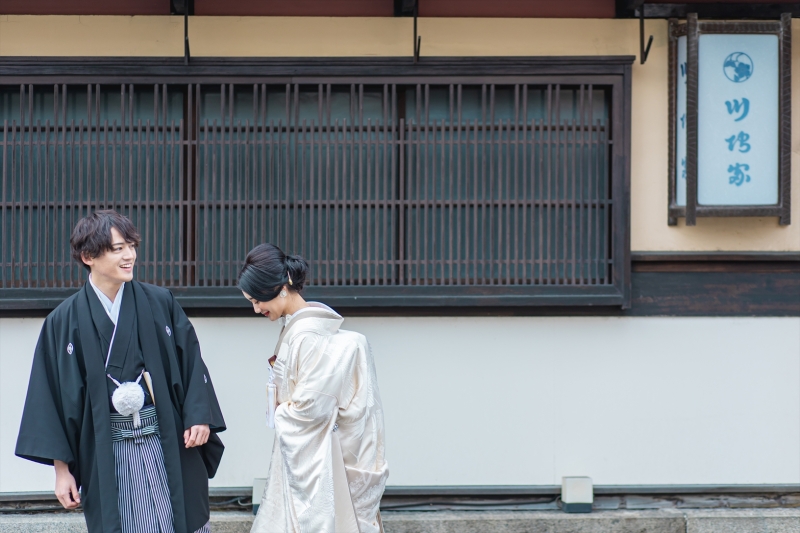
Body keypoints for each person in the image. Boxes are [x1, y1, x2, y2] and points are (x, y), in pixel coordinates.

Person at [16, 210, 226, 533]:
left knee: (181, 520)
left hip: (164, 438)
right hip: (107, 450)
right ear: (88, 256)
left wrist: (199, 414)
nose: (130, 256)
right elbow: (51, 398)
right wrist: (62, 470)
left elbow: (192, 361)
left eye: (131, 246)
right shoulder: (63, 321)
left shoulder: (159, 302)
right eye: (118, 249)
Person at [239, 244, 388, 533]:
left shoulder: (307, 335)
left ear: (281, 288)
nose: (256, 309)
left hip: (318, 451)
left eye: (257, 300)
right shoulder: (302, 327)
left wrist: (281, 411)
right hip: (305, 446)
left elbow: (312, 407)